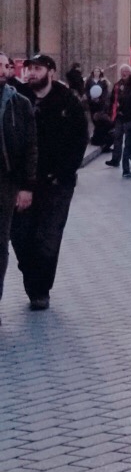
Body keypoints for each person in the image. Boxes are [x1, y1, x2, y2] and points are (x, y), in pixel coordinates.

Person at [10, 54, 88, 311]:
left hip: (57, 184)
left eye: (37, 68)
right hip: (24, 182)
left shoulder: (68, 101)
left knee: (48, 238)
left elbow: (79, 140)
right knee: (21, 237)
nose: (31, 73)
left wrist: (64, 173)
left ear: (51, 72)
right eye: (29, 68)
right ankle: (32, 278)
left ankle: (40, 290)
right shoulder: (19, 99)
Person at [0, 52, 36, 312]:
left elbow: (30, 146)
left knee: (1, 244)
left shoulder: (19, 103)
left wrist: (26, 186)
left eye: (6, 66)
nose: (4, 70)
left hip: (6, 181)